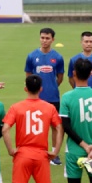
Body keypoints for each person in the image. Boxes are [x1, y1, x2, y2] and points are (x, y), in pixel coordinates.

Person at [2, 75, 63, 183]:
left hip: (23, 154)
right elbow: (58, 128)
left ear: (25, 88)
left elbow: (5, 129)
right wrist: (55, 150)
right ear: (41, 89)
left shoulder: (16, 107)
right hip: (41, 154)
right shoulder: (49, 108)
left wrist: (11, 149)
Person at [24, 27, 65, 165]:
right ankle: (36, 152)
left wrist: (51, 87)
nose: (44, 40)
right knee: (37, 125)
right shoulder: (31, 56)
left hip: (53, 97)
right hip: (36, 98)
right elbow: (28, 76)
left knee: (55, 126)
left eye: (47, 38)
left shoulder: (58, 57)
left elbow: (60, 78)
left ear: (52, 39)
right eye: (42, 37)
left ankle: (54, 154)